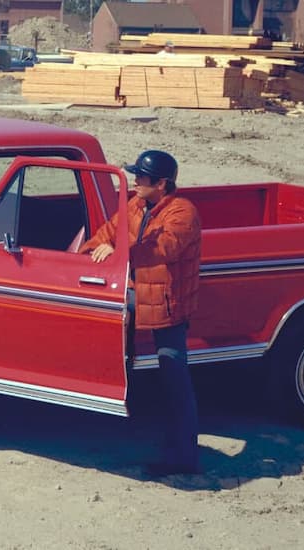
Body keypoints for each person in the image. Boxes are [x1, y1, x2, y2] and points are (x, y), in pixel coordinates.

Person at [79, 150, 202, 476]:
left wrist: (120, 250)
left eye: (142, 178)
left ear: (161, 184)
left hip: (166, 305)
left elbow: (166, 248)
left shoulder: (183, 212)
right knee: (120, 364)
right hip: (133, 296)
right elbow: (104, 234)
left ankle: (185, 456)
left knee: (175, 376)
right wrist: (93, 249)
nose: (135, 181)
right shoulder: (135, 205)